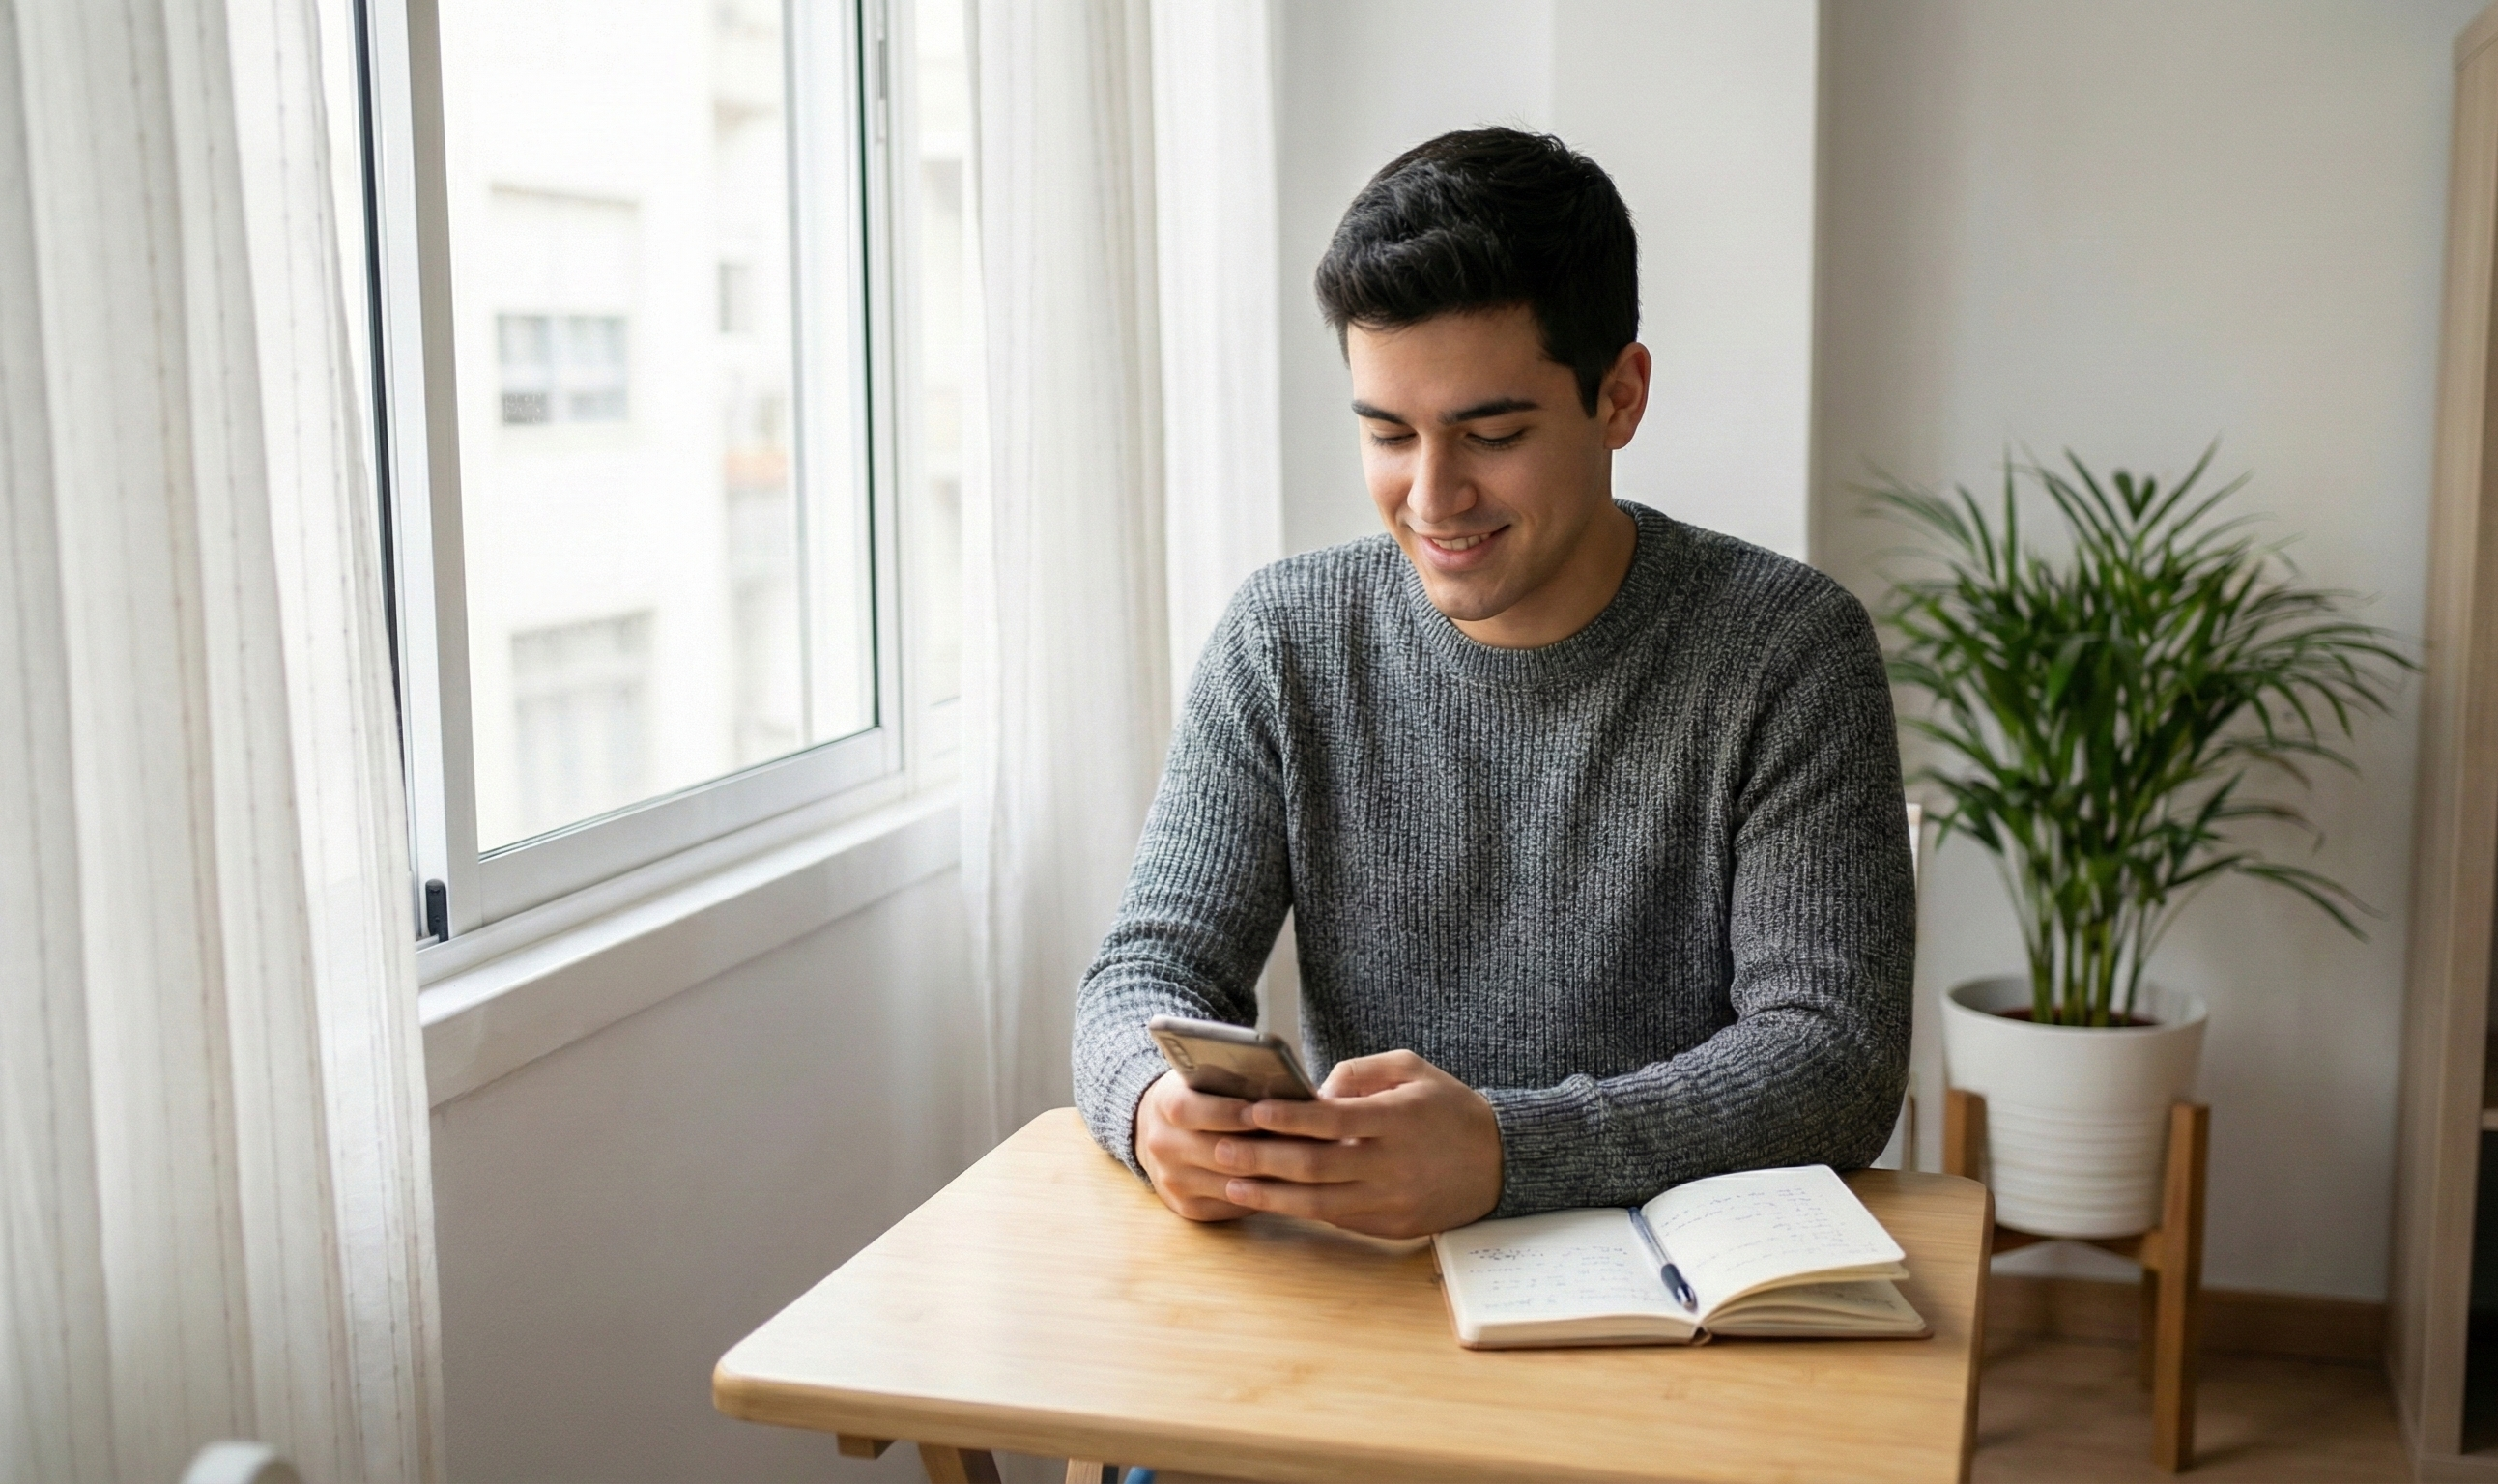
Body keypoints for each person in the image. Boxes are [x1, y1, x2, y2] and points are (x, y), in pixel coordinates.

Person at [1071, 127, 1914, 1241]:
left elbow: (1834, 1060)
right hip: (1372, 1276)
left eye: (1493, 434)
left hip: (1674, 1285)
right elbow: (1145, 970)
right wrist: (1151, 1105)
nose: (1432, 497)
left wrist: (1506, 1151)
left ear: (1618, 397)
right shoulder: (1283, 640)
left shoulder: (1785, 650)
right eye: (1387, 434)